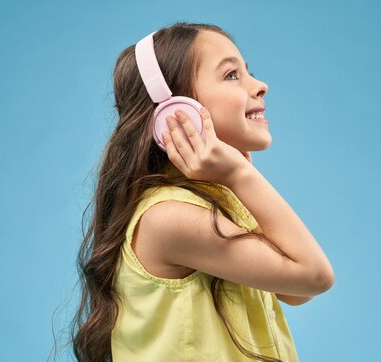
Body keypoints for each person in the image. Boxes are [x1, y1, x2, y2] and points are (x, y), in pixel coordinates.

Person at [72, 22, 335, 362]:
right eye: (231, 75)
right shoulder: (168, 218)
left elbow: (296, 292)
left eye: (248, 72)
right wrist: (240, 174)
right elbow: (314, 277)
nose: (261, 86)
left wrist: (239, 179)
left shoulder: (213, 197)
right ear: (177, 112)